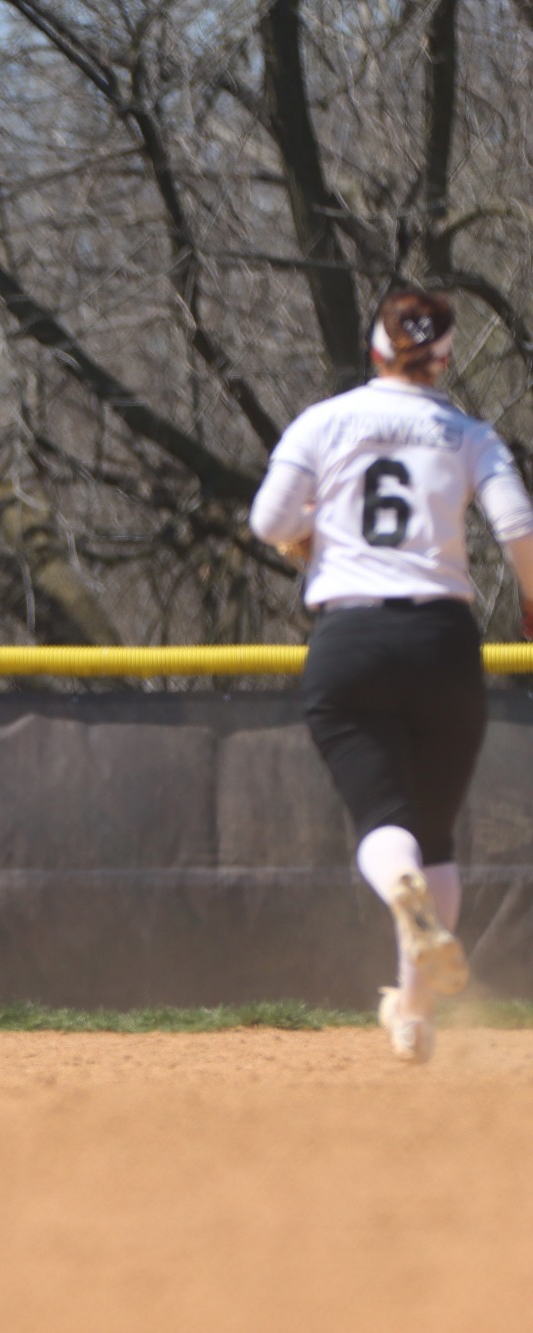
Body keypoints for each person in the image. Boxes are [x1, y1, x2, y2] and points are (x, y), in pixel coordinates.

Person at [250, 288, 533, 1063]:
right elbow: (516, 524)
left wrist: (313, 538)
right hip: (443, 641)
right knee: (435, 838)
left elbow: (269, 520)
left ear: (376, 350)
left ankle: (400, 903)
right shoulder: (468, 433)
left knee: (385, 825)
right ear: (443, 359)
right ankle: (412, 1014)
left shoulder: (324, 421)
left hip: (352, 637)